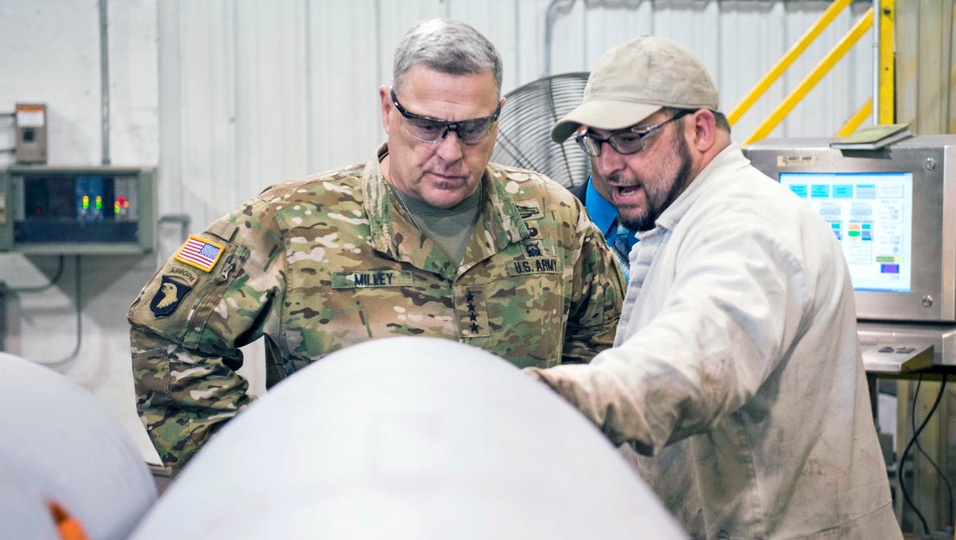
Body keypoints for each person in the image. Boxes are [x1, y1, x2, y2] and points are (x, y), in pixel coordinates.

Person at [529, 36, 912, 540]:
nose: (608, 165)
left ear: (701, 129)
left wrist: (559, 399)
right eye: (594, 143)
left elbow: (697, 354)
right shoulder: (679, 221)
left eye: (630, 139)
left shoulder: (749, 228)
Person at [128, 18, 624, 472]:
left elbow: (608, 343)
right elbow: (169, 336)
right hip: (350, 528)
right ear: (388, 109)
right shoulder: (293, 223)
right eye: (427, 126)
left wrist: (569, 453)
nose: (450, 152)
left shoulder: (551, 216)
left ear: (499, 116)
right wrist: (251, 468)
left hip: (515, 518)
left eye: (473, 128)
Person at [569, 163, 638, 283]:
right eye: (600, 143)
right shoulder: (542, 224)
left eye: (630, 142)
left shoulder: (679, 225)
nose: (608, 158)